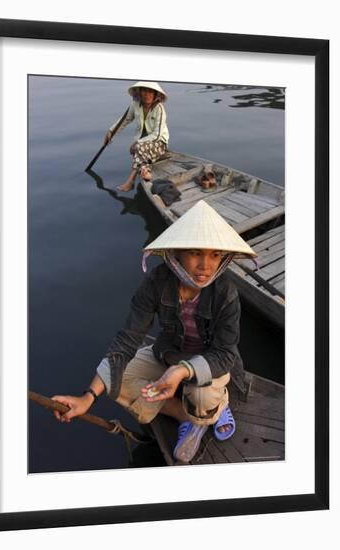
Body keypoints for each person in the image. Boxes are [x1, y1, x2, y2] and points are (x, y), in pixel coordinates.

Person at [52, 200, 257, 463]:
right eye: (195, 252)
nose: (206, 266)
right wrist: (87, 398)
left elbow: (225, 354)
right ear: (177, 253)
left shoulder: (226, 292)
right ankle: (189, 417)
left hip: (209, 360)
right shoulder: (156, 282)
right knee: (115, 381)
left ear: (223, 258)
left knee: (202, 394)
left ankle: (216, 406)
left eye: (215, 255)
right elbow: (128, 339)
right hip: (167, 353)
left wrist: (182, 371)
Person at [104, 81, 169, 193]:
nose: (147, 94)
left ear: (155, 94)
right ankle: (145, 169)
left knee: (138, 148)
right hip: (143, 146)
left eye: (150, 92)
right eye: (144, 91)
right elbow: (125, 120)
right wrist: (111, 131)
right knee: (138, 150)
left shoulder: (160, 109)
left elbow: (157, 135)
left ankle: (130, 181)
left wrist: (138, 142)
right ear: (139, 92)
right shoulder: (135, 105)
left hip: (159, 143)